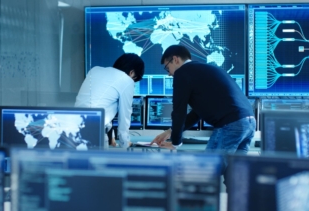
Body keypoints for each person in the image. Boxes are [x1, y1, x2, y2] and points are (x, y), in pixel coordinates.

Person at [151, 45, 256, 182]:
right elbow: (197, 113)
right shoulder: (205, 69)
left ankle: (191, 204)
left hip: (230, 124)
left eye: (167, 68)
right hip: (249, 122)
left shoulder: (182, 73)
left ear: (175, 59)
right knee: (234, 175)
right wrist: (170, 132)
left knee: (206, 173)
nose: (169, 73)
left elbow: (179, 111)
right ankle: (238, 203)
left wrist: (176, 143)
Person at [75, 53, 144, 148]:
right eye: (135, 79)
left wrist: (111, 136)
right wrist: (125, 143)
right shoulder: (127, 80)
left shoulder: (94, 70)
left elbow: (104, 104)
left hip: (73, 128)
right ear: (131, 73)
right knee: (99, 162)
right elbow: (125, 115)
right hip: (95, 133)